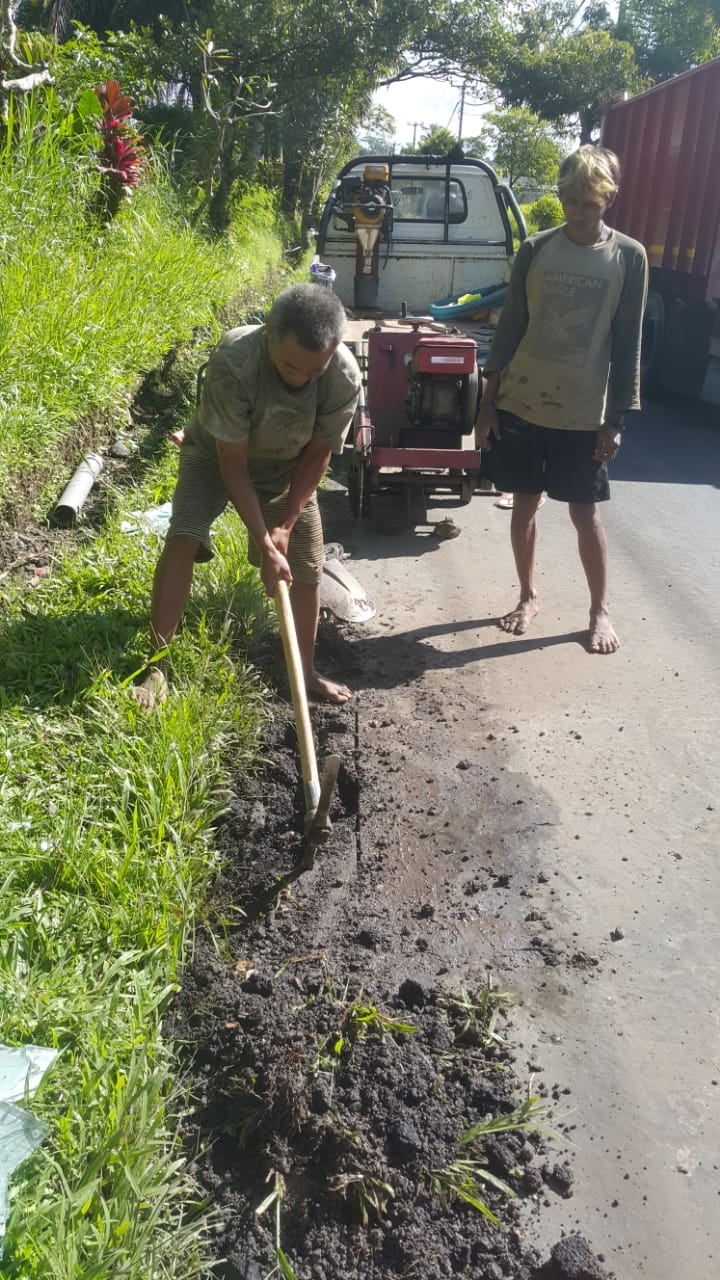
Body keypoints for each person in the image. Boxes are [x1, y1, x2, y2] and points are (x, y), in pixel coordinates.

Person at [132, 283, 361, 709]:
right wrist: (262, 542)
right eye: (291, 366)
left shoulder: (344, 376)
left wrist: (285, 527)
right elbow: (232, 466)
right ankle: (157, 664)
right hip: (214, 456)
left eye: (314, 370)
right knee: (184, 534)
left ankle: (304, 672)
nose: (301, 377)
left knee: (307, 568)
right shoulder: (235, 361)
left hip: (289, 469)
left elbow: (318, 454)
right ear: (268, 334)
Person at [475, 145, 648, 654]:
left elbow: (628, 342)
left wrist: (616, 418)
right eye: (571, 201)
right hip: (523, 402)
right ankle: (527, 596)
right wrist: (487, 403)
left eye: (589, 204)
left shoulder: (628, 257)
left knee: (583, 512)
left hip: (582, 410)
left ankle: (599, 611)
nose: (578, 213)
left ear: (609, 199)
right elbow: (509, 329)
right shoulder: (536, 249)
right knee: (524, 501)